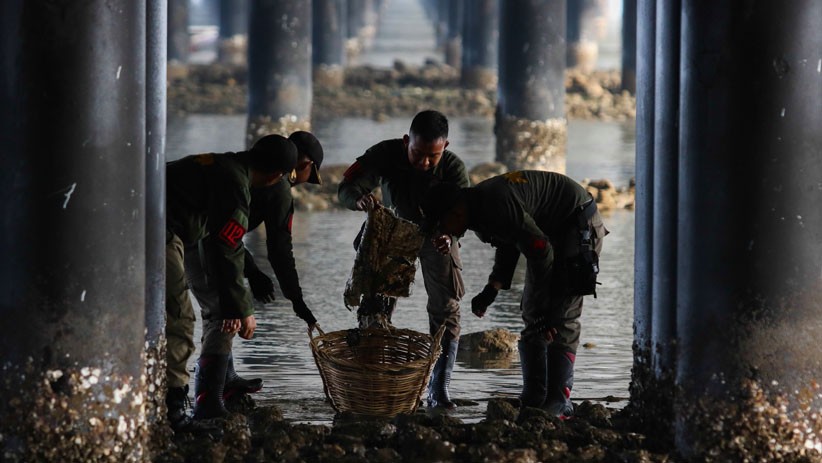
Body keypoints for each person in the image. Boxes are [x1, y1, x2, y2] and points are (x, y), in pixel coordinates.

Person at [420, 170, 608, 418]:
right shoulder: (475, 208)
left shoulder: (492, 203)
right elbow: (510, 239)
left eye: (442, 226)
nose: (445, 233)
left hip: (578, 225)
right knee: (533, 313)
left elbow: (540, 251)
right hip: (548, 234)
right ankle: (534, 396)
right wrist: (493, 286)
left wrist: (545, 311)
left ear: (456, 212)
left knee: (560, 316)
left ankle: (559, 401)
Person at [183, 132, 322, 420]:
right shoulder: (279, 187)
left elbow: (227, 233)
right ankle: (207, 404)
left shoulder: (246, 167)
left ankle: (227, 379)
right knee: (224, 312)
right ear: (303, 163)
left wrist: (253, 270)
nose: (304, 180)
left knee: (224, 307)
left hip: (201, 237)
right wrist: (296, 300)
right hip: (197, 240)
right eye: (310, 172)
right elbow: (279, 250)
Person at [165, 134, 297, 431]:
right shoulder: (236, 183)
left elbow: (223, 241)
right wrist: (241, 308)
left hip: (152, 223)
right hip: (158, 229)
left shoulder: (227, 164)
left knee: (180, 312)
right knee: (180, 318)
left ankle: (204, 393)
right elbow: (227, 245)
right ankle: (173, 414)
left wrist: (234, 304)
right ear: (276, 176)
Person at [338, 109, 469, 409]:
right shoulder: (384, 154)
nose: (424, 162)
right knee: (375, 310)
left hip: (437, 236)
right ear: (406, 140)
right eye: (417, 153)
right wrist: (357, 199)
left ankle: (439, 388)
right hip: (391, 232)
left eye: (431, 157)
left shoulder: (454, 169)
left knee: (446, 308)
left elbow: (464, 214)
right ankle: (374, 383)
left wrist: (450, 237)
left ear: (444, 148)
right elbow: (346, 187)